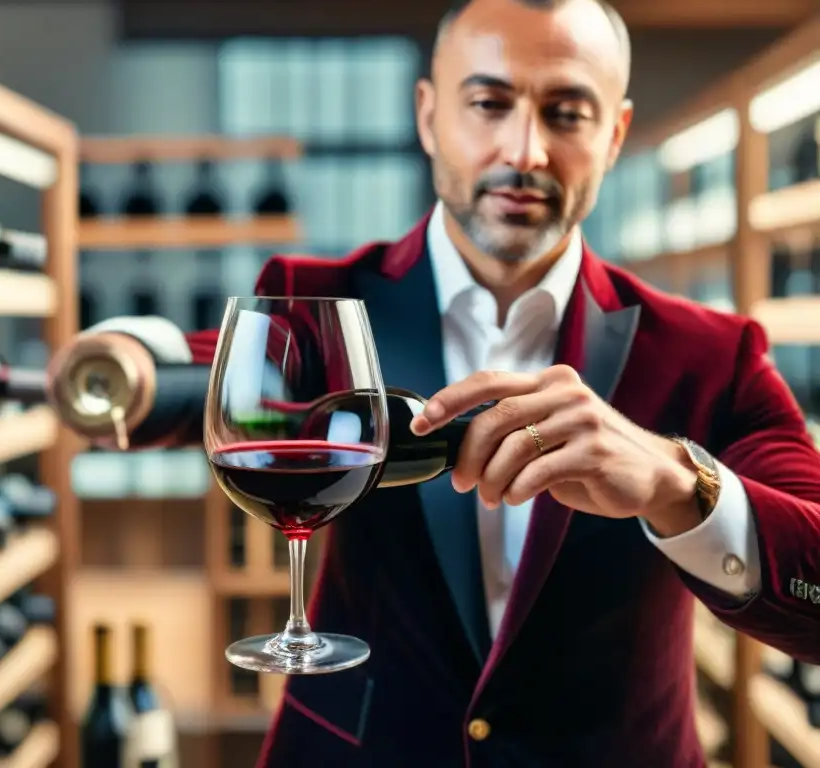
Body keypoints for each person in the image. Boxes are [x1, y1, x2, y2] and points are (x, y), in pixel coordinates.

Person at [54, 0, 820, 764]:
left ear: (613, 134)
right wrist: (124, 360)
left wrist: (676, 482)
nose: (525, 151)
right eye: (489, 103)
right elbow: (207, 373)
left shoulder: (711, 351)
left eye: (567, 114)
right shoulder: (318, 296)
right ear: (428, 116)